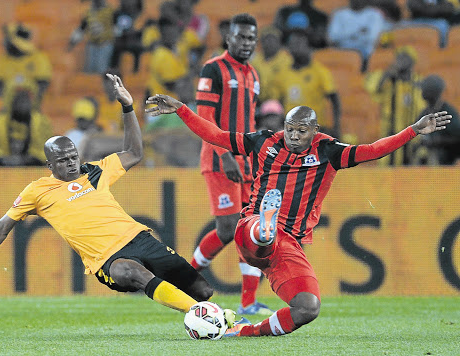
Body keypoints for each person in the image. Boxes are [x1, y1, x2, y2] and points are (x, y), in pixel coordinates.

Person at [145, 93, 451, 337]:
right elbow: (216, 135)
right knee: (261, 231)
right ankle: (265, 227)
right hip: (250, 227)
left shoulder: (329, 150)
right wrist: (183, 109)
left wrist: (412, 130)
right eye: (289, 129)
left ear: (314, 131)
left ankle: (242, 332)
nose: (293, 136)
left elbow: (372, 150)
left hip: (288, 243)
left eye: (301, 131)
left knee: (308, 307)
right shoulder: (265, 140)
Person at [0, 74, 221, 320]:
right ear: (50, 166)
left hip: (140, 239)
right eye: (63, 160)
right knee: (131, 272)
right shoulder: (37, 191)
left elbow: (134, 152)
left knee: (203, 291)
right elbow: (3, 225)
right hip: (107, 259)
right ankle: (202, 315)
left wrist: (127, 107)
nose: (72, 163)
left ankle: (212, 313)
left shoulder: (96, 170)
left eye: (73, 156)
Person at [189, 13, 271, 316]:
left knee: (250, 228)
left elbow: (248, 121)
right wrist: (225, 156)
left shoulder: (253, 74)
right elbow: (205, 120)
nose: (246, 43)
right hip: (218, 158)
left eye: (252, 38)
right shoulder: (213, 68)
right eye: (241, 37)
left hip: (247, 162)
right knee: (227, 228)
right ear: (229, 38)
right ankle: (184, 277)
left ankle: (248, 302)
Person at [268, 29, 341, 138]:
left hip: (314, 129)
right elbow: (277, 101)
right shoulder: (282, 73)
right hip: (290, 130)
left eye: (299, 44)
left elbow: (334, 100)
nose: (295, 48)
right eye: (292, 45)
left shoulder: (320, 72)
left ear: (309, 48)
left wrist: (336, 127)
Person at [364, 45, 426, 165]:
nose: (400, 60)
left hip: (411, 132)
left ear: (412, 61)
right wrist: (388, 74)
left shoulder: (418, 81)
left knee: (409, 165)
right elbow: (373, 88)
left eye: (405, 57)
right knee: (388, 165)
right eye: (398, 57)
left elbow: (422, 107)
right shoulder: (389, 79)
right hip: (390, 129)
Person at [0, 83, 53, 166]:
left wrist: (27, 160)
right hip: (3, 169)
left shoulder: (41, 122)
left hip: (34, 169)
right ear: (11, 101)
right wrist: (3, 159)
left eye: (26, 99)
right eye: (19, 99)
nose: (23, 104)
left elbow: (45, 152)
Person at [0, 23, 52, 106]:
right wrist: (9, 99)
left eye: (8, 41)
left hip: (31, 102)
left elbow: (43, 83)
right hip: (8, 104)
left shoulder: (38, 58)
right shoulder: (2, 60)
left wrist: (26, 98)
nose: (5, 43)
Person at [414, 74, 460, 165]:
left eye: (424, 89)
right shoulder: (424, 113)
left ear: (432, 92)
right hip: (425, 165)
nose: (421, 92)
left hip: (444, 165)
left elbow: (458, 137)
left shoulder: (448, 112)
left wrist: (438, 141)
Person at [68, 0, 116, 74]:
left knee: (102, 68)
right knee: (90, 69)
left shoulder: (110, 12)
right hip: (92, 45)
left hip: (105, 44)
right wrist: (72, 42)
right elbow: (82, 28)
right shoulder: (89, 13)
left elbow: (117, 26)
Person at [250, 26, 292, 103]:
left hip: (281, 101)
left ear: (279, 42)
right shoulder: (255, 61)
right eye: (266, 39)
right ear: (261, 42)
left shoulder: (287, 60)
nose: (270, 42)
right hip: (259, 101)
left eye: (273, 39)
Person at [110, 0, 144, 73]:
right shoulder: (117, 14)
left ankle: (136, 73)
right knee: (115, 48)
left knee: (139, 49)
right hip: (122, 41)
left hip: (136, 42)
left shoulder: (141, 14)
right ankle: (114, 71)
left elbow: (143, 30)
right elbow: (116, 29)